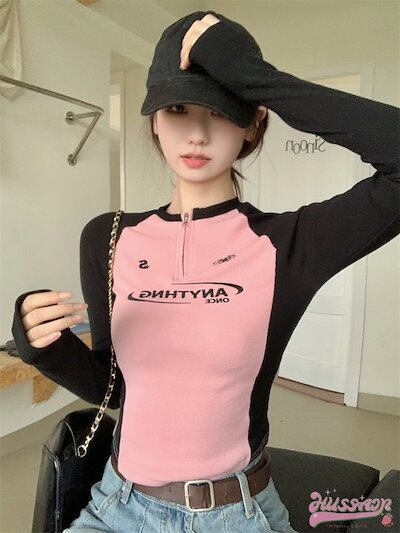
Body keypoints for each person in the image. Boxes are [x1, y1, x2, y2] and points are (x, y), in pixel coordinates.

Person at [11, 9, 399, 533]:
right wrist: (45, 348)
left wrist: (257, 80)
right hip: (116, 505)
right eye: (177, 109)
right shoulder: (107, 237)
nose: (196, 133)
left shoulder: (284, 245)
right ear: (154, 119)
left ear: (252, 123)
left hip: (236, 515)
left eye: (219, 111)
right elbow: (117, 389)